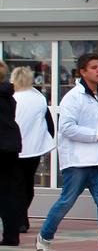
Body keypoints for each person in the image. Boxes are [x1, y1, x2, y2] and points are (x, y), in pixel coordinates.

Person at [35, 54, 98, 251]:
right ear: (82, 72)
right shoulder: (73, 97)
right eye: (94, 67)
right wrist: (97, 136)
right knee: (67, 201)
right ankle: (44, 237)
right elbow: (67, 128)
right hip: (78, 160)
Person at [12, 67, 55, 234]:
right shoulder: (39, 98)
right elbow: (49, 124)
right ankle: (23, 217)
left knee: (15, 185)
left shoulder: (12, 98)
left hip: (14, 148)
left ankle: (20, 218)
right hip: (35, 149)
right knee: (28, 183)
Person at [0, 60, 24, 246]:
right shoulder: (9, 95)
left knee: (6, 193)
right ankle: (11, 234)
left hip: (2, 147)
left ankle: (11, 235)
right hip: (11, 147)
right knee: (9, 192)